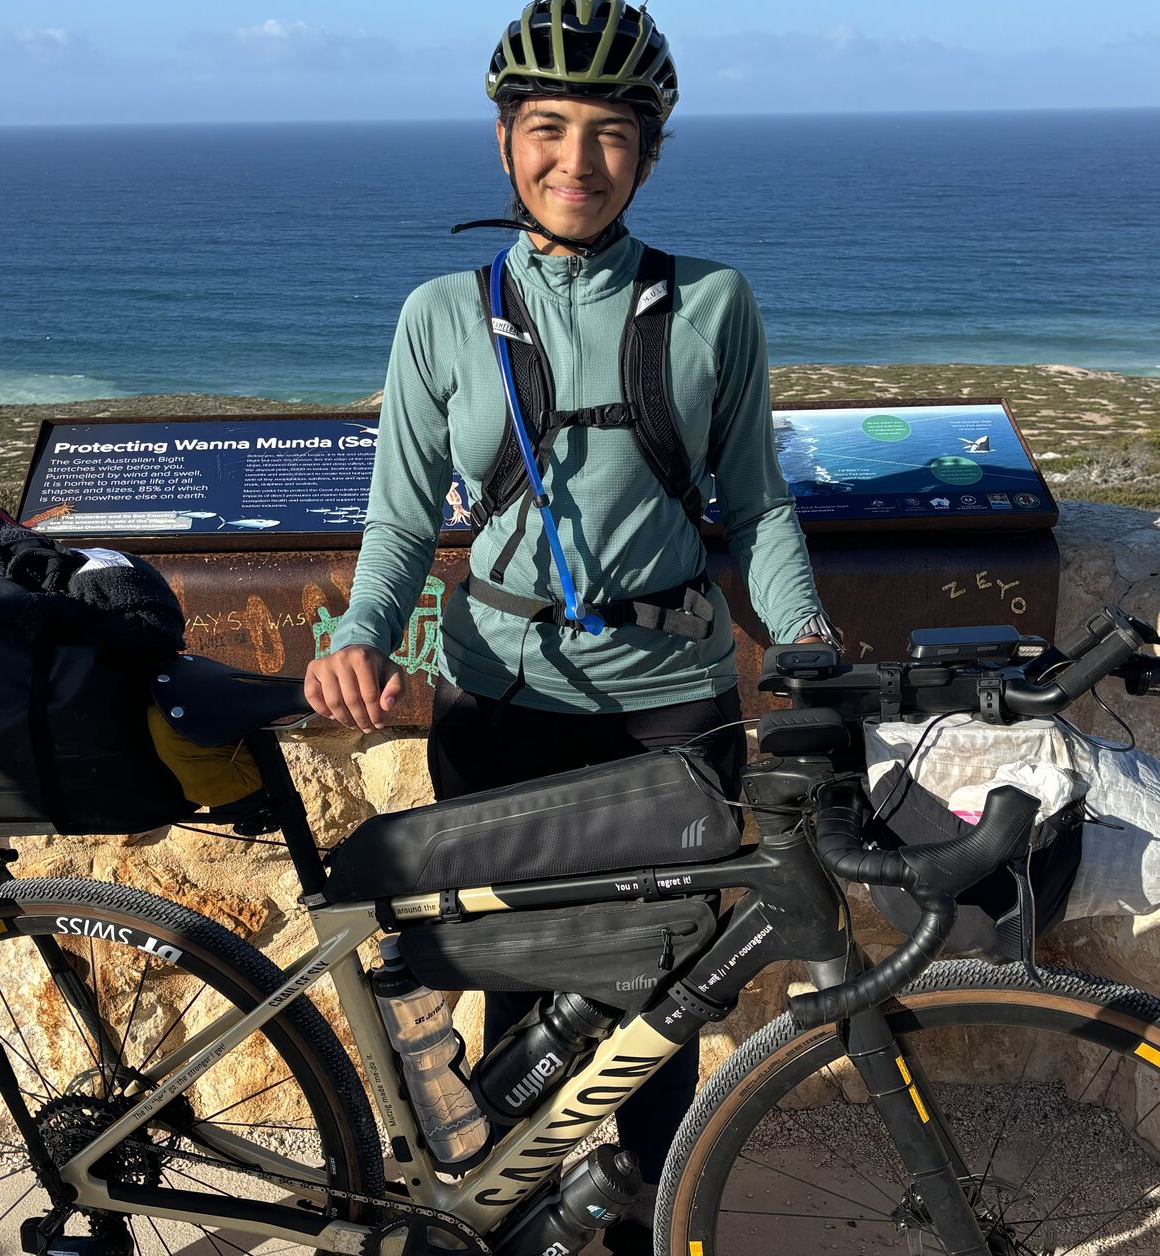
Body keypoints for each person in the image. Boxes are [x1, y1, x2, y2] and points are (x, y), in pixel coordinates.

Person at [305, 2, 835, 1248]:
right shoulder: (442, 313)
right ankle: (514, 1218)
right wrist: (366, 633)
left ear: (649, 155)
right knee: (513, 988)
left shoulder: (712, 304)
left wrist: (804, 636)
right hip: (498, 702)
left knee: (667, 997)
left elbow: (756, 506)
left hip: (673, 702)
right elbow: (398, 524)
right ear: (504, 143)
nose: (576, 162)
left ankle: (658, 1219)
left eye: (609, 135)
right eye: (547, 129)